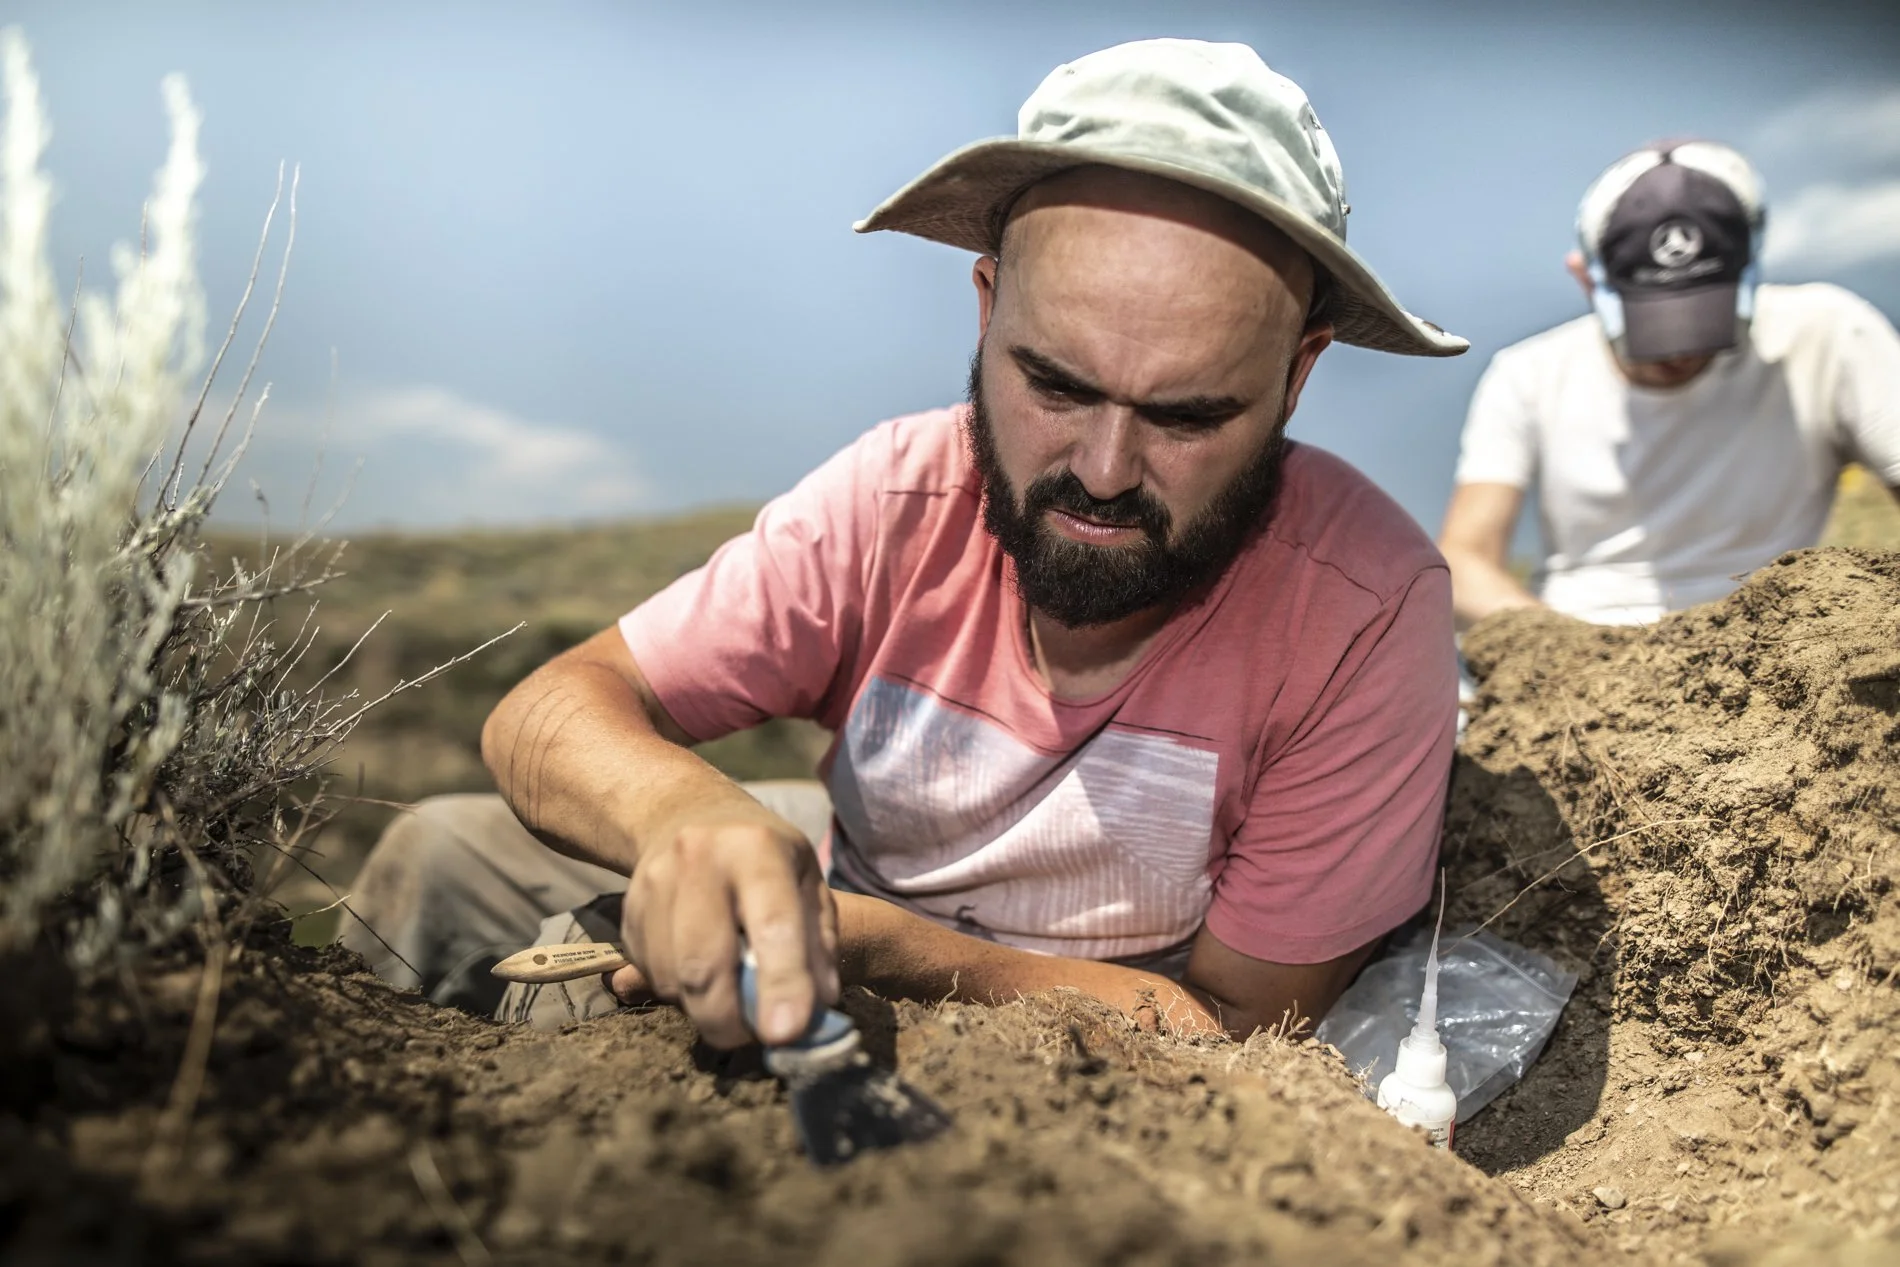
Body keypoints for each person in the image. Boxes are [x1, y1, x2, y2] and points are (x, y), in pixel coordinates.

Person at [339, 38, 1467, 1047]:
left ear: (1298, 373)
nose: (1104, 469)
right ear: (986, 311)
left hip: (1076, 1002)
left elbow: (1239, 1028)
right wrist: (693, 816)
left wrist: (885, 945)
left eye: (1186, 416)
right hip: (848, 870)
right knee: (440, 856)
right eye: (1054, 385)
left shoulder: (1364, 608)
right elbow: (550, 711)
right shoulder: (899, 493)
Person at [1439, 140, 1900, 628]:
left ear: (1750, 271)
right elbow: (1464, 565)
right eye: (1653, 321)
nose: (1680, 352)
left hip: (1772, 648)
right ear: (1587, 280)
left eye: (1703, 319)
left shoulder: (1830, 333)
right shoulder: (1528, 374)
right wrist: (1576, 654)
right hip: (1581, 648)